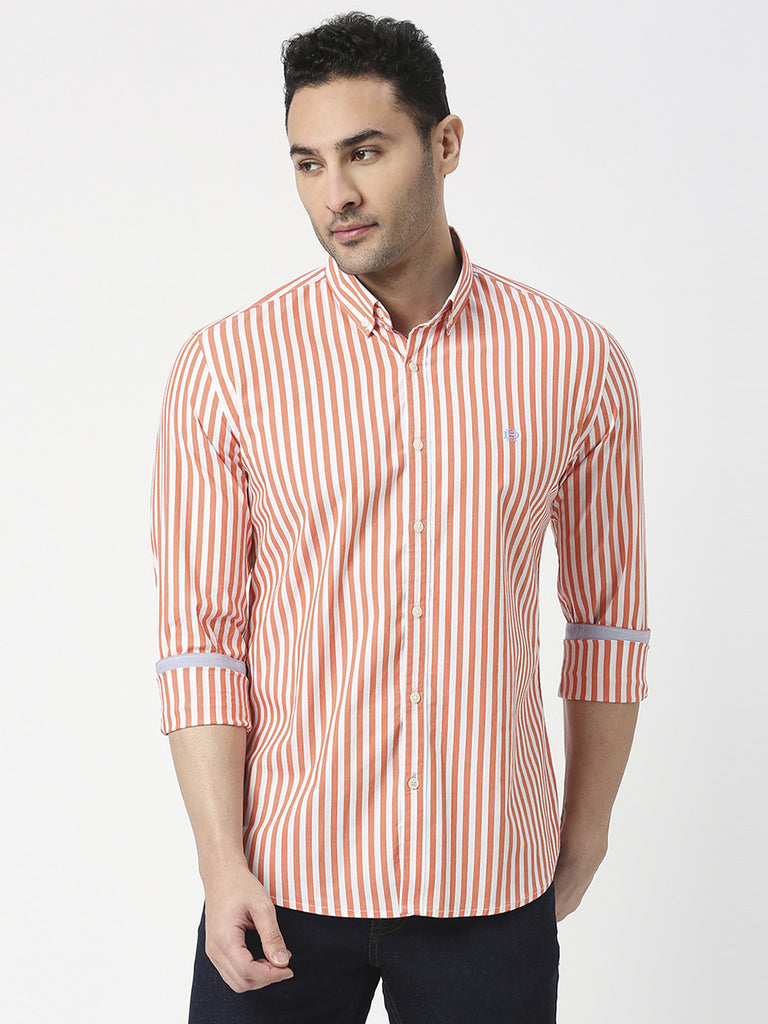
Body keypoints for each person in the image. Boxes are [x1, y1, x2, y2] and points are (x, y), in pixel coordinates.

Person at [150, 12, 650, 1023]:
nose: (334, 192)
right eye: (308, 163)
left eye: (365, 152)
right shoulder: (227, 368)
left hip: (491, 880)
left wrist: (587, 829)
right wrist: (220, 862)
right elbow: (201, 639)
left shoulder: (575, 361)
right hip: (283, 882)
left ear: (445, 144)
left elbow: (608, 619)